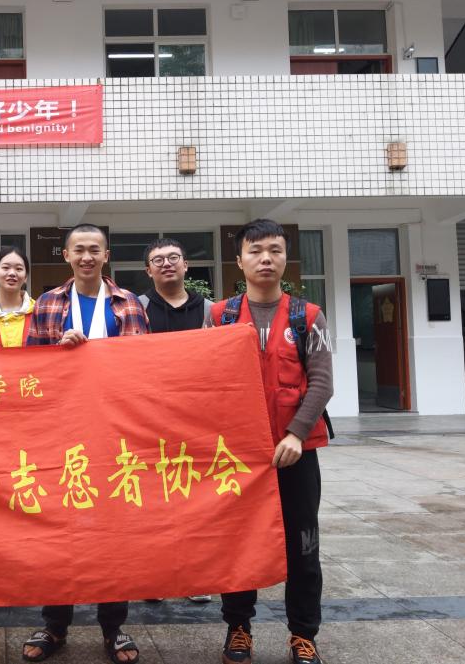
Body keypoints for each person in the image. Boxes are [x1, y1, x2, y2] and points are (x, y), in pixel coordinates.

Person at [206, 219, 333, 664]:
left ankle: (303, 634)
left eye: (274, 250)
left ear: (285, 258)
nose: (265, 259)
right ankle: (238, 628)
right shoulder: (218, 316)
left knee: (303, 546)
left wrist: (297, 433)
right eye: (255, 251)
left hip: (296, 454)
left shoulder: (308, 316)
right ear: (239, 260)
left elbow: (322, 382)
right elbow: (204, 380)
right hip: (239, 457)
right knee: (239, 543)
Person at [23, 223, 147, 664]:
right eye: (79, 250)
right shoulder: (49, 303)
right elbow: (30, 369)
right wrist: (59, 351)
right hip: (63, 432)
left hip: (114, 433)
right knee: (61, 529)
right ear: (67, 255)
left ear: (106, 255)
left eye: (95, 249)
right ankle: (54, 624)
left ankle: (114, 627)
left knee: (113, 532)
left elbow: (143, 366)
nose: (87, 257)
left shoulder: (128, 303)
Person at [138, 237, 213, 604]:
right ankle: (154, 576)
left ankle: (196, 577)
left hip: (197, 422)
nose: (166, 264)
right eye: (158, 260)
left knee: (196, 501)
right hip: (148, 422)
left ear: (186, 265)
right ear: (148, 270)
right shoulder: (135, 309)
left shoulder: (212, 312)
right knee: (152, 502)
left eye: (173, 258)